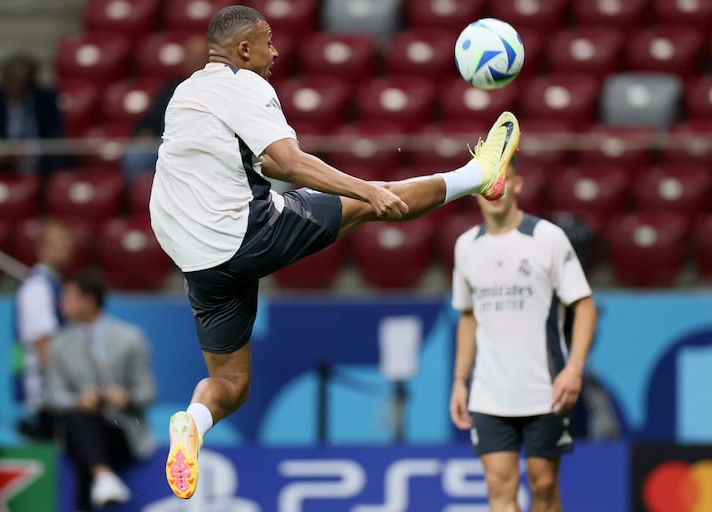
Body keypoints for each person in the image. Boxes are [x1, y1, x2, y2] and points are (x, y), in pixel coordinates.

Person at [149, 5, 520, 499]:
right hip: (240, 233)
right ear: (243, 50)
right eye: (268, 40)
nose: (275, 50)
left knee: (231, 381)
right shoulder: (245, 85)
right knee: (370, 204)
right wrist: (365, 190)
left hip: (193, 255)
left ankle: (192, 422)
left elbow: (247, 159)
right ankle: (481, 176)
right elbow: (288, 162)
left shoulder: (186, 92)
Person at [448, 159, 598, 512]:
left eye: (503, 181)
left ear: (518, 185)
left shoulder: (547, 237)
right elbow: (468, 316)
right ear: (475, 192)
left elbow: (585, 307)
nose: (494, 190)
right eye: (487, 183)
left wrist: (574, 370)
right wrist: (459, 380)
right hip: (489, 393)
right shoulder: (465, 246)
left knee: (543, 485)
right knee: (499, 488)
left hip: (545, 389)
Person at [48, 270, 156, 510]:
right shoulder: (59, 344)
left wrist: (125, 397)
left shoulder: (130, 338)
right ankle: (103, 476)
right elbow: (53, 395)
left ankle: (101, 477)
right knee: (79, 421)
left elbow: (148, 391)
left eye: (69, 297)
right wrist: (79, 400)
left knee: (81, 439)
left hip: (121, 428)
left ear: (89, 300)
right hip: (82, 424)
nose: (61, 303)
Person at [14, 219, 73, 440]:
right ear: (41, 248)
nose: (65, 251)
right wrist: (65, 388)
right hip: (46, 391)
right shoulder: (37, 288)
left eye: (67, 245)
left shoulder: (56, 285)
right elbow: (44, 344)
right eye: (58, 245)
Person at [122, 36, 209, 184]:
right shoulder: (170, 89)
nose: (193, 61)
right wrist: (144, 133)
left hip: (201, 148)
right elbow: (148, 121)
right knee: (136, 155)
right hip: (165, 146)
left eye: (198, 57)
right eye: (190, 56)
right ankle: (139, 202)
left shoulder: (216, 89)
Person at [0, 52, 65, 178]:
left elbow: (53, 135)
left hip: (37, 156)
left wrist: (30, 150)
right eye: (11, 83)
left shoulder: (46, 97)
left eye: (20, 84)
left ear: (30, 82)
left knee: (60, 162)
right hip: (3, 157)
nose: (15, 89)